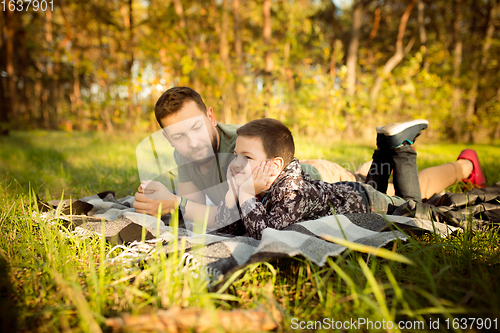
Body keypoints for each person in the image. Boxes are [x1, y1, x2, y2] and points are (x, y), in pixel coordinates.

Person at [214, 118, 483, 239]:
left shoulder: (292, 193)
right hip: (350, 192)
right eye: (236, 155)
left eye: (245, 157)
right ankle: (382, 150)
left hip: (365, 202)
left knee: (408, 207)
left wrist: (245, 195)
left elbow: (265, 233)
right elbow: (227, 229)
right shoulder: (261, 182)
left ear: (274, 167)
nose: (236, 163)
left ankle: (401, 147)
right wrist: (232, 194)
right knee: (378, 185)